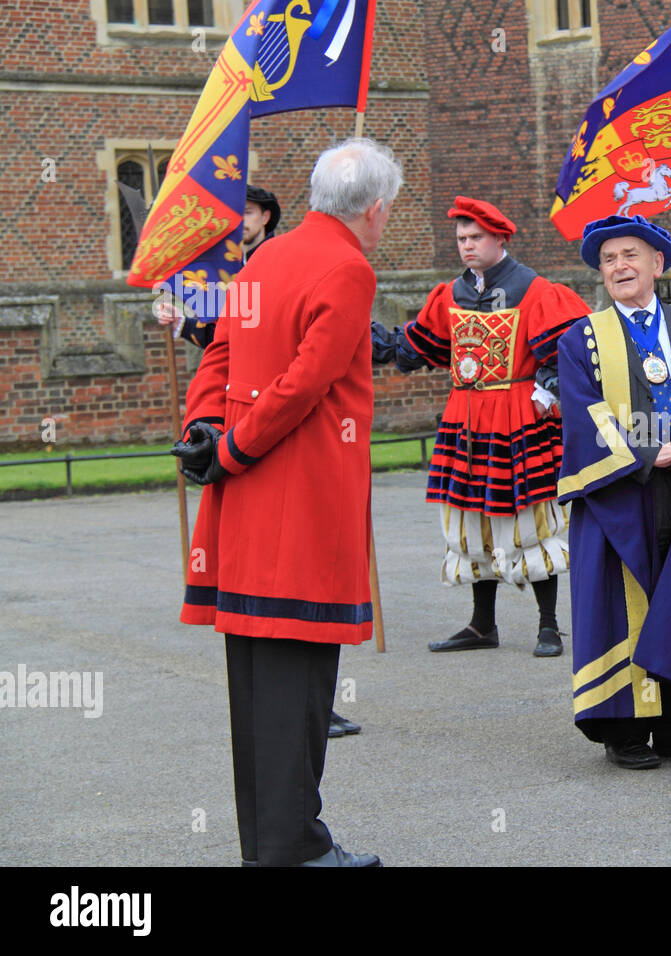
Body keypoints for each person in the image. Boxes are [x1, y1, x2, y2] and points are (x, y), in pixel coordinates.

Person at [170, 137, 402, 866]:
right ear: (374, 208)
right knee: (299, 690)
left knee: (256, 688)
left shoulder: (264, 257)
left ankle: (273, 844)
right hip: (300, 497)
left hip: (244, 504)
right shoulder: (348, 267)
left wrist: (203, 429)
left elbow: (219, 353)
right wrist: (234, 444)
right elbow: (306, 382)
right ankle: (295, 849)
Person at [156, 183, 360, 740]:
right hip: (257, 431)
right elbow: (220, 345)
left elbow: (299, 370)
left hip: (279, 434)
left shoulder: (297, 261)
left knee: (289, 625)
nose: (234, 221)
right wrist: (207, 427)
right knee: (272, 622)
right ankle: (299, 720)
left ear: (266, 217)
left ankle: (313, 712)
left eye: (243, 212)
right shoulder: (233, 268)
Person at [557, 214, 671, 770]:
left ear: (657, 264)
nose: (619, 267)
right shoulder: (581, 338)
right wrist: (643, 453)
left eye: (630, 255)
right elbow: (582, 415)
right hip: (622, 492)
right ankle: (626, 730)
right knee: (622, 602)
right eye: (609, 260)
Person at [372, 198, 589, 657]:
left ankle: (548, 626)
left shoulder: (535, 290)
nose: (467, 246)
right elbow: (421, 346)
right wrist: (378, 342)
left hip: (516, 415)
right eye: (461, 239)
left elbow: (568, 352)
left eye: (475, 238)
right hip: (465, 416)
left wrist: (548, 385)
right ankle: (481, 624)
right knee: (472, 515)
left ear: (499, 239)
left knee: (530, 518)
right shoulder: (451, 294)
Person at [157, 185, 282, 349]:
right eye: (234, 213)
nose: (240, 220)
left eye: (247, 212)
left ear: (265, 217)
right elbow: (226, 335)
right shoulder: (230, 267)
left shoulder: (279, 260)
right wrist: (181, 322)